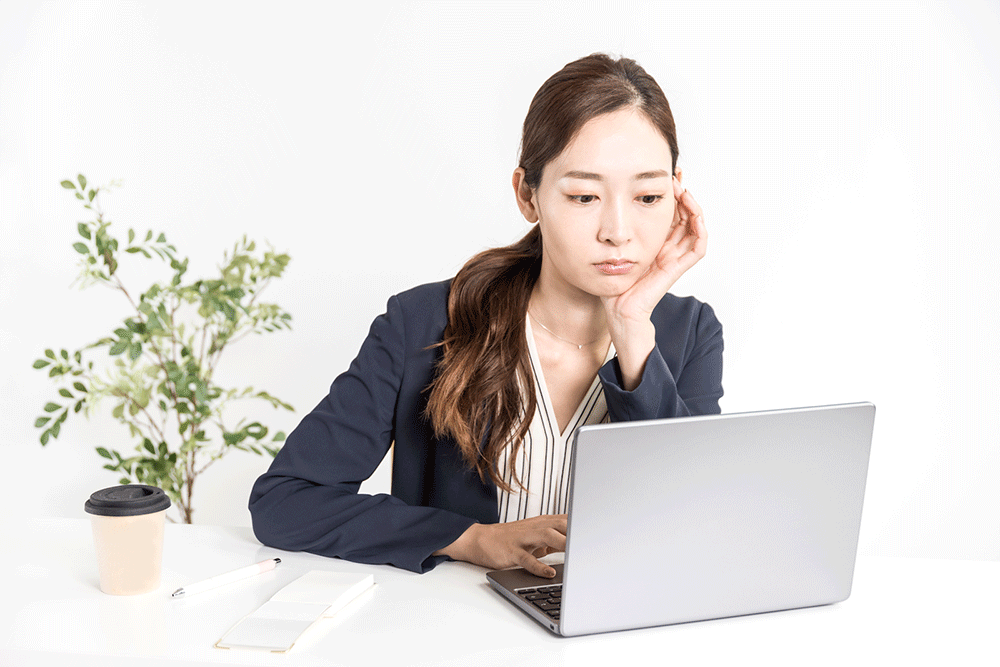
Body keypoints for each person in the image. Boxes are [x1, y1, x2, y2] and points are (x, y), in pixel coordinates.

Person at [249, 52, 723, 579]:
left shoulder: (690, 334)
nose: (617, 231)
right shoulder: (425, 323)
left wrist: (633, 331)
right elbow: (286, 501)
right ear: (527, 195)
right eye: (584, 196)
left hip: (617, 620)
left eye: (648, 196)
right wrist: (469, 539)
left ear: (677, 194)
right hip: (458, 620)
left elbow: (697, 524)